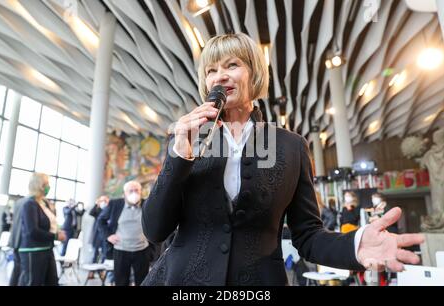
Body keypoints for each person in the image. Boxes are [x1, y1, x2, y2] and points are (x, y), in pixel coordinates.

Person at [141, 33, 424, 286]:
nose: (219, 76)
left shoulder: (290, 146)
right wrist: (179, 155)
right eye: (211, 70)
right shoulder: (187, 140)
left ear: (254, 74)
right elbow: (155, 229)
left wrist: (354, 246)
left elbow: (308, 235)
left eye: (231, 65)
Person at [98, 181, 158, 286]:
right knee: (121, 281)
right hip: (121, 249)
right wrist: (108, 236)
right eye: (131, 191)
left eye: (136, 190)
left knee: (143, 281)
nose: (134, 193)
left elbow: (157, 222)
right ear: (125, 193)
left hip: (142, 250)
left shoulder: (147, 204)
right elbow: (101, 221)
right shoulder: (115, 204)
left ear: (141, 192)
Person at [18, 173, 66, 286]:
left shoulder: (44, 203)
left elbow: (50, 224)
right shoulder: (29, 204)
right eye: (46, 184)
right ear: (39, 185)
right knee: (34, 282)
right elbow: (32, 231)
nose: (48, 186)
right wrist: (55, 236)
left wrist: (58, 231)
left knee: (52, 281)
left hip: (47, 249)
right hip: (33, 251)